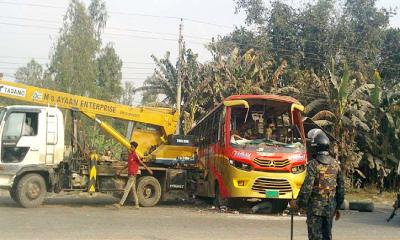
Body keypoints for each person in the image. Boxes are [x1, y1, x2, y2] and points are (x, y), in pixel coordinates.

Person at [290, 129, 345, 240]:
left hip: (315, 210)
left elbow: (307, 189)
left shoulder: (313, 165)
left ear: (316, 147)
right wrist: (337, 207)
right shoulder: (336, 165)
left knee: (315, 237)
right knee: (327, 237)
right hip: (330, 209)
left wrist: (298, 203)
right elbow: (341, 190)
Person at [114, 141, 141, 209]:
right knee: (133, 190)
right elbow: (127, 165)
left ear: (135, 148)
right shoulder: (131, 155)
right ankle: (137, 205)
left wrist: (138, 165)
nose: (130, 148)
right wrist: (121, 170)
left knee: (127, 189)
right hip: (129, 174)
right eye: (130, 146)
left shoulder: (135, 155)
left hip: (133, 175)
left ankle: (120, 204)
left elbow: (140, 162)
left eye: (132, 147)